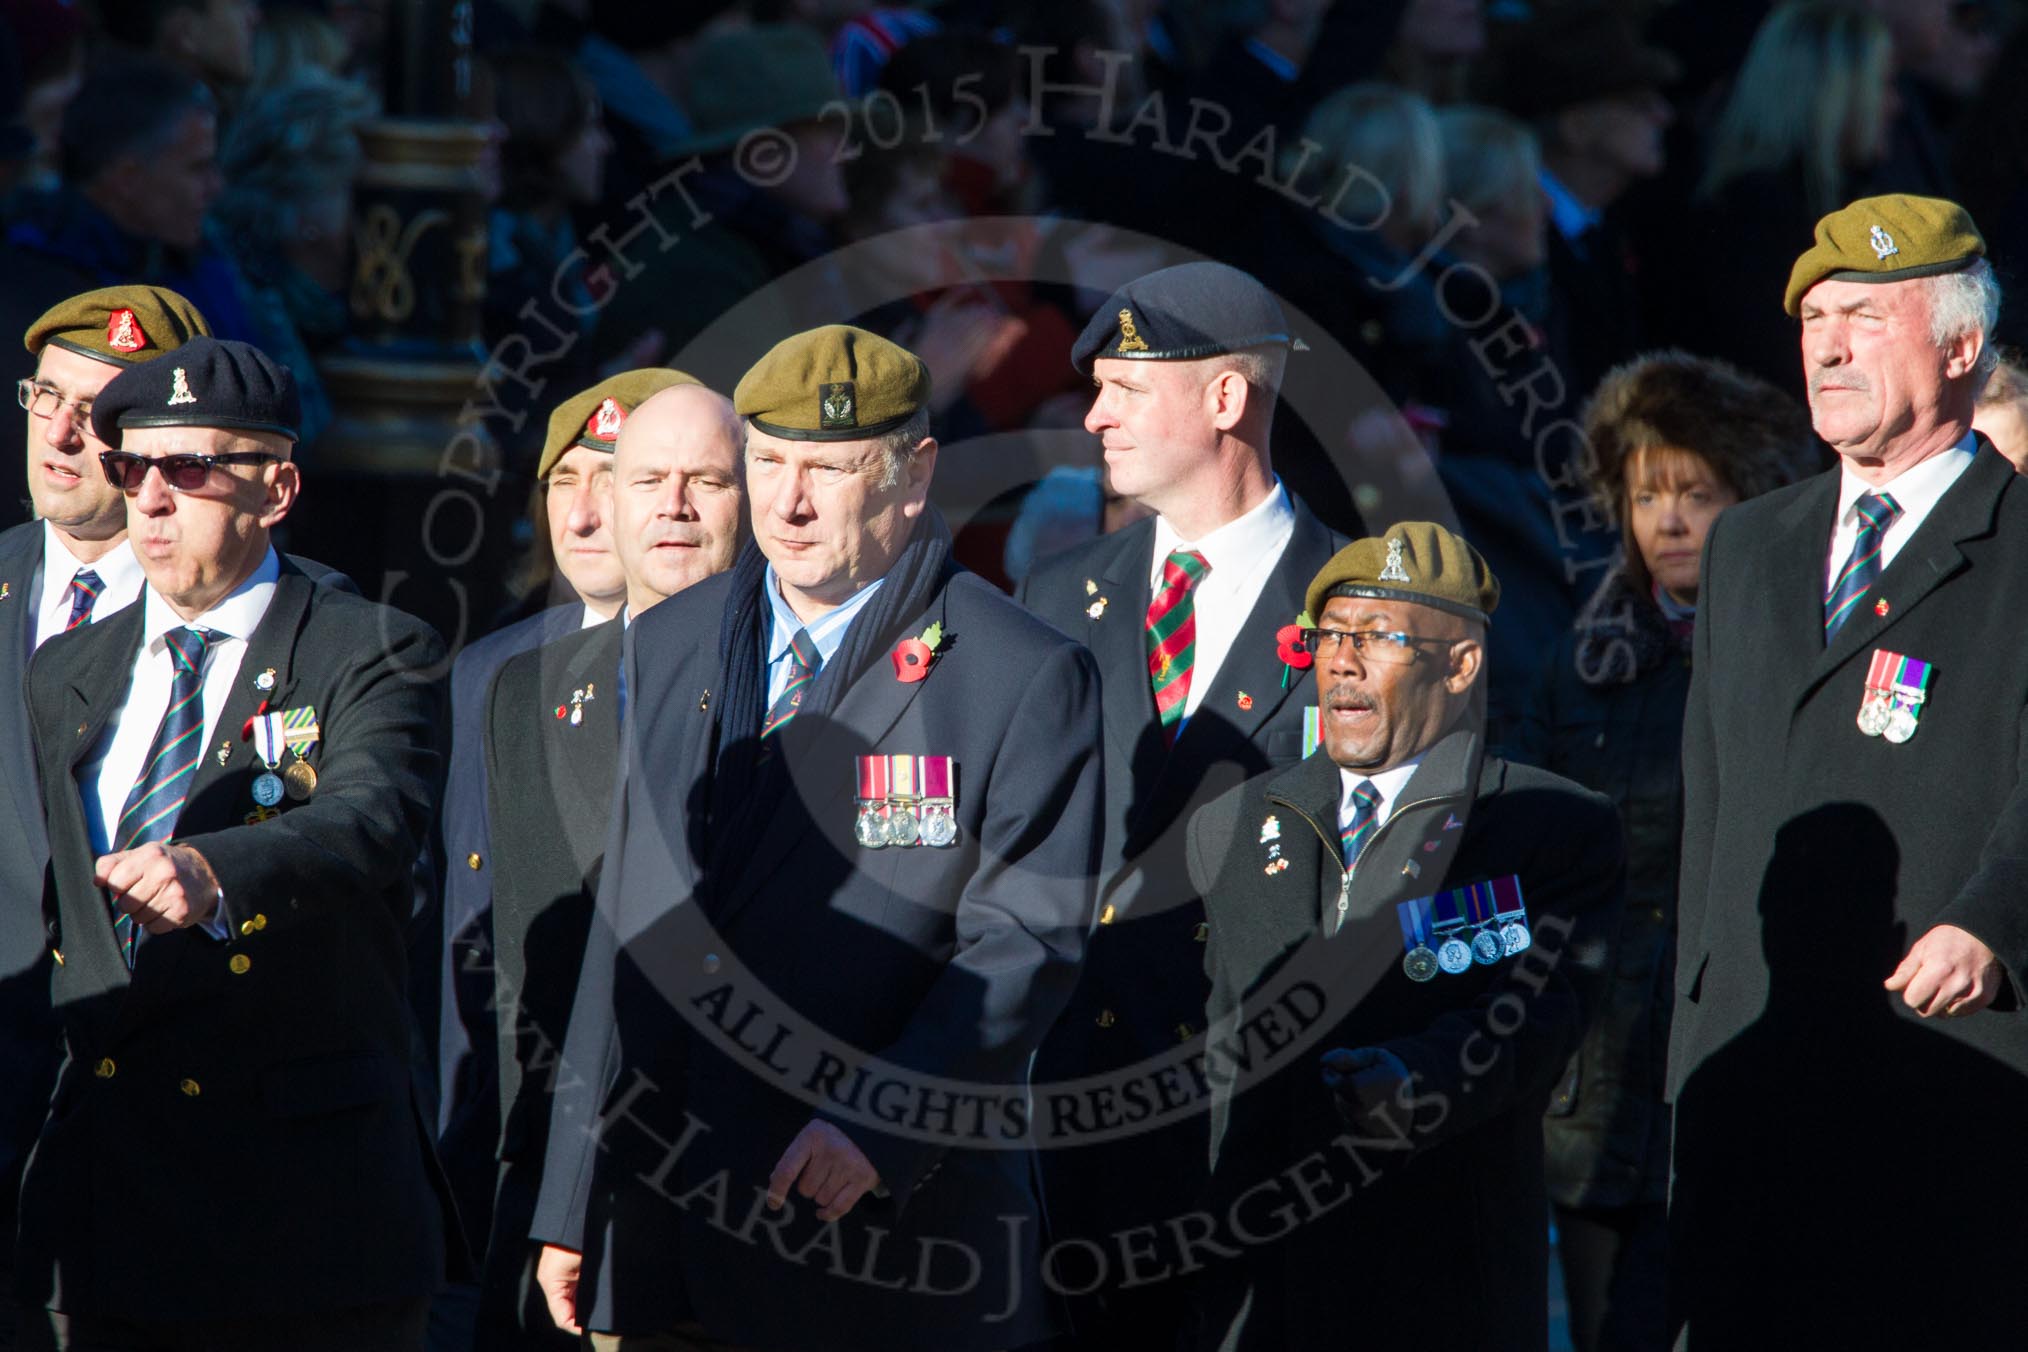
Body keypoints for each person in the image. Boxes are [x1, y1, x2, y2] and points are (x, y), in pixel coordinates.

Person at [529, 325, 1101, 1350]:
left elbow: (1025, 943)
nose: (788, 503)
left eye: (829, 471)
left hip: (881, 1238)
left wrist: (880, 1125)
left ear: (913, 473)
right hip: (675, 1226)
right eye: (768, 462)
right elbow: (628, 923)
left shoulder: (1018, 672)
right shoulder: (668, 638)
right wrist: (570, 1198)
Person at [17, 336, 454, 1349]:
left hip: (297, 1212)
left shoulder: (372, 647)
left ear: (278, 487)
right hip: (107, 1206)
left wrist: (212, 870)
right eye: (131, 467)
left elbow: (368, 819)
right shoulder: (66, 671)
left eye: (191, 467)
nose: (152, 498)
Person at [1670, 195, 2028, 1347]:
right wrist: (1698, 1028)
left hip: (1939, 1066)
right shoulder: (1750, 541)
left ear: (1960, 346)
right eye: (1815, 318)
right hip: (1753, 1064)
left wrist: (1994, 922)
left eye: (1865, 316)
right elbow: (1713, 802)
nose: (1824, 345)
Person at [1183, 523, 1623, 1352]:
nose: (1341, 662)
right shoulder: (1229, 829)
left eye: (1377, 637)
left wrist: (1414, 1080)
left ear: (1461, 666)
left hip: (1445, 1281)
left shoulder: (1548, 828)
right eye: (1330, 636)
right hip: (1260, 1294)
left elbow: (1538, 1019)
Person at [1019, 261, 1348, 1352]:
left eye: (1125, 385)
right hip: (1085, 1105)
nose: (1094, 412)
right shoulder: (1062, 596)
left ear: (1224, 398)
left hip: (1264, 1103)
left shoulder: (1360, 602)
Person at [1512, 351, 1818, 1352]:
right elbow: (1527, 860)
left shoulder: (1800, 652)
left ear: (1755, 497)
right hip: (1593, 1082)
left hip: (1734, 1066)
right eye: (1647, 494)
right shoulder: (1577, 664)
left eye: (1697, 491)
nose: (1670, 519)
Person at [422, 368, 703, 1344]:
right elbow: (473, 907)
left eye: (611, 476)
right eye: (562, 481)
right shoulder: (499, 676)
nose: (584, 510)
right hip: (515, 1136)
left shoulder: (747, 662)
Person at [473, 381, 745, 1350]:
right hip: (558, 1211)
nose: (664, 507)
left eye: (702, 482)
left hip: (738, 1220)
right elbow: (513, 972)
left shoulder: (803, 679)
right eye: (639, 483)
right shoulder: (525, 693)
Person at [0, 285, 208, 1349]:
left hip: (154, 1118)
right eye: (46, 397)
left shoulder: (217, 615)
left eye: (99, 407)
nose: (65, 432)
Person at [1672, 2, 1897, 394]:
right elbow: (1782, 363)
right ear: (1835, 92)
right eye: (1884, 83)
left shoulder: (1819, 201)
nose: (1895, 104)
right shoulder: (1754, 216)